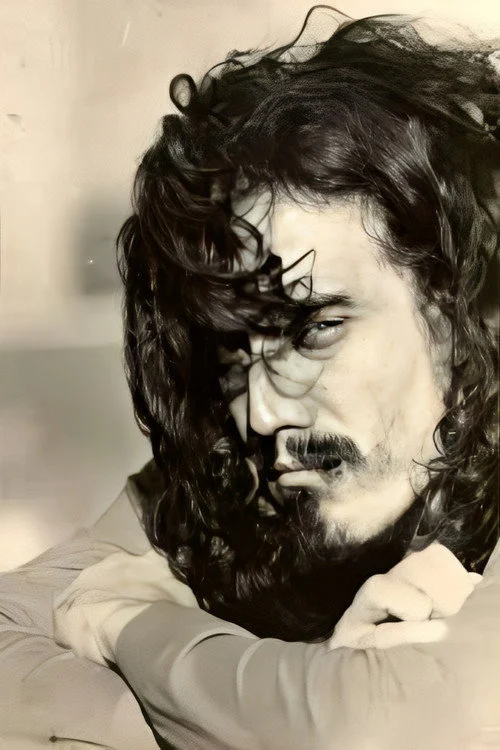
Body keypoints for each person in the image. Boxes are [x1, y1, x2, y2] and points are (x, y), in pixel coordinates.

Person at [1, 7, 499, 749]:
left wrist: (136, 627)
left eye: (317, 329)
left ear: (460, 309)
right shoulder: (236, 489)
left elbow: (398, 725)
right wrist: (287, 696)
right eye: (235, 354)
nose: (261, 416)